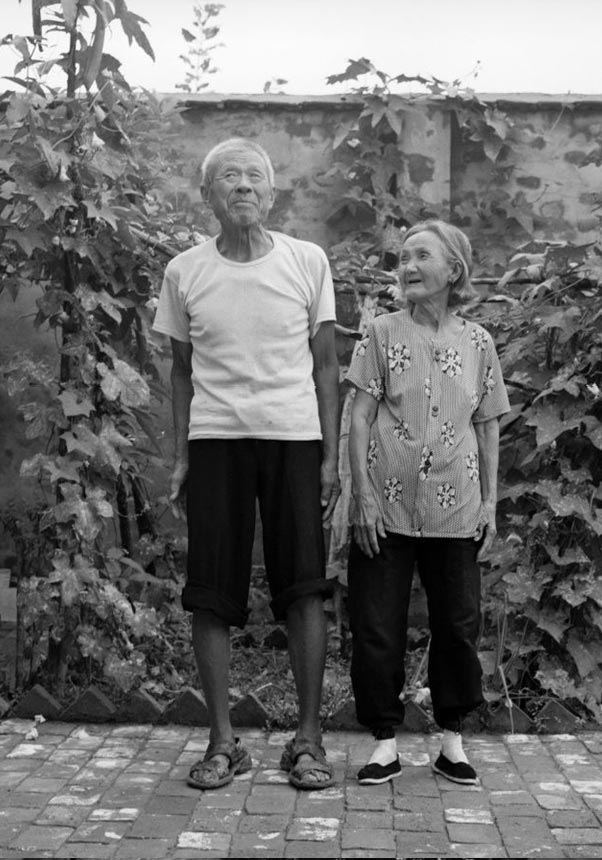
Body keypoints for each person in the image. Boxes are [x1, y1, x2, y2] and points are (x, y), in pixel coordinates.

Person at [152, 138, 340, 791]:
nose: (242, 185)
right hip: (215, 439)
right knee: (211, 590)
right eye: (227, 177)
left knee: (305, 586)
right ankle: (222, 743)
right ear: (207, 196)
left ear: (273, 192)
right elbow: (178, 373)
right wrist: (178, 456)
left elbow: (325, 364)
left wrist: (330, 459)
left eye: (254, 176)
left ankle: (309, 741)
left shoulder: (307, 262)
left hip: (293, 437)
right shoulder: (185, 272)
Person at [345, 220, 510, 786]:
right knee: (376, 626)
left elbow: (488, 426)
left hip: (457, 506)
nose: (407, 266)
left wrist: (491, 503)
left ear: (453, 271)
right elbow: (360, 415)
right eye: (402, 257)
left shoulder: (479, 342)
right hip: (385, 510)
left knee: (459, 625)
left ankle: (452, 742)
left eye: (421, 256)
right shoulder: (381, 333)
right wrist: (360, 495)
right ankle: (384, 742)